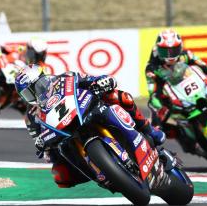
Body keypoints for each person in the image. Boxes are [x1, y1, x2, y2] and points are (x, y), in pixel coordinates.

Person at [15, 64, 165, 188]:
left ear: (44, 78)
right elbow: (39, 141)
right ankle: (100, 175)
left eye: (38, 86)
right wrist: (43, 146)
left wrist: (101, 81)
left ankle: (148, 130)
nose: (36, 93)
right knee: (61, 175)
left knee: (119, 97)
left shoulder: (65, 78)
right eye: (29, 93)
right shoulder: (30, 116)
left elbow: (90, 79)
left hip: (86, 109)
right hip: (62, 135)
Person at [145, 29, 207, 153]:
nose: (170, 56)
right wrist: (160, 104)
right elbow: (153, 91)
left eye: (174, 50)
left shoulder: (186, 55)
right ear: (158, 49)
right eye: (166, 51)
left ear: (180, 47)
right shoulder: (152, 68)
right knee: (157, 123)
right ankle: (192, 145)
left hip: (193, 89)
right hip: (172, 98)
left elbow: (203, 65)